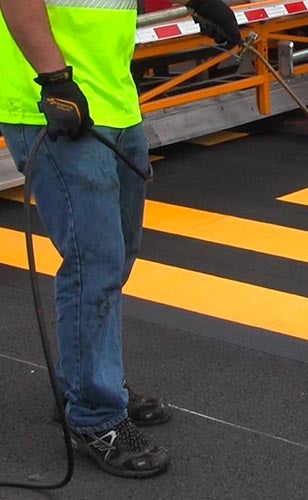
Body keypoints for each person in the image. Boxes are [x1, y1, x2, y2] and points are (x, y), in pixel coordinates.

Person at [0, 0, 241, 478]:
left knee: (119, 251)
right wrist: (53, 79)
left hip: (113, 99)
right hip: (54, 101)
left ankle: (83, 383)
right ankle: (94, 414)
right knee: (95, 261)